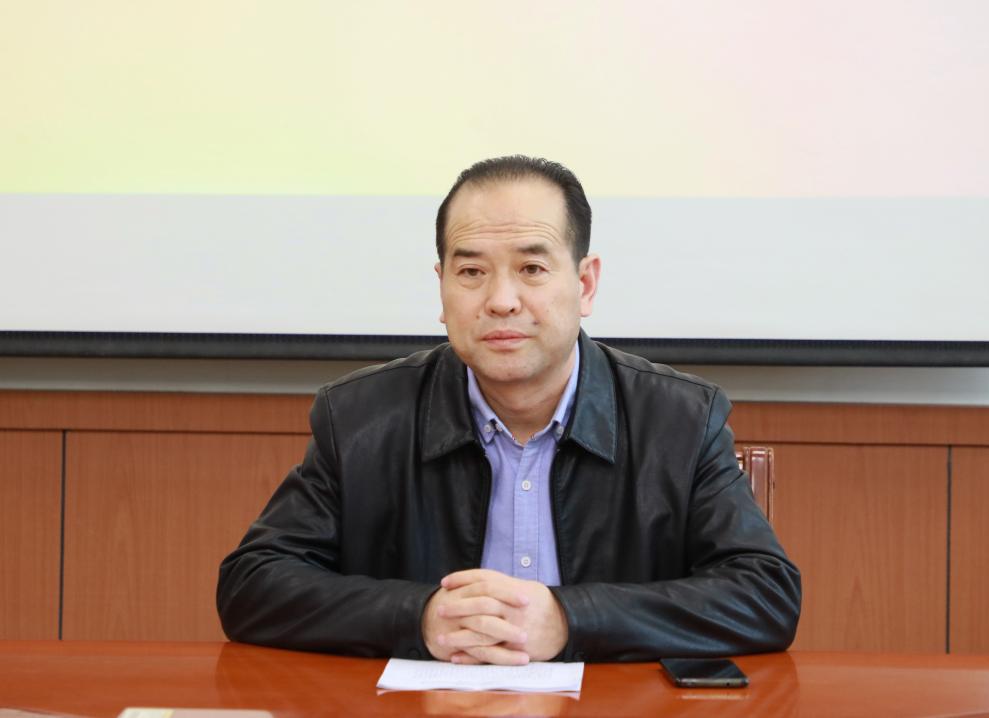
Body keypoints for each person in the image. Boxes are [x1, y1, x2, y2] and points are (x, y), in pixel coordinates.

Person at [217, 155, 801, 664]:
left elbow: (764, 595)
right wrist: (418, 617)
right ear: (442, 287)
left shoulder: (679, 420)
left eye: (532, 269)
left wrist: (570, 620)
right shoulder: (360, 418)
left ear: (586, 285)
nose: (500, 301)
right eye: (471, 272)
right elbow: (253, 584)